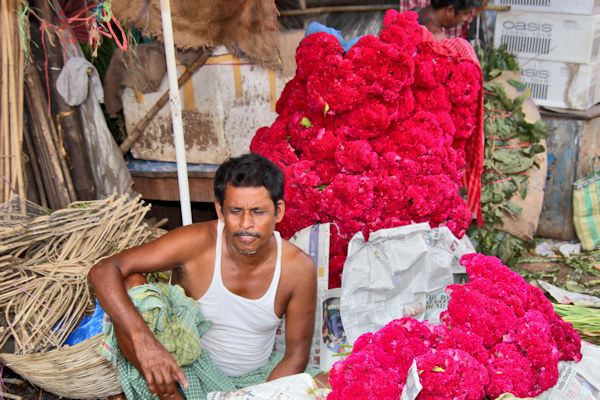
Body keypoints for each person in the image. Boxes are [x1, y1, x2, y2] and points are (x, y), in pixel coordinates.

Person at [88, 153, 318, 399]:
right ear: (220, 210)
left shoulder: (298, 268)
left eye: (258, 212)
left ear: (278, 211)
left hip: (254, 381)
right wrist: (145, 343)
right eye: (235, 211)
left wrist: (258, 396)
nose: (246, 223)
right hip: (181, 373)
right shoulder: (197, 243)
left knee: (327, 382)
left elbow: (296, 355)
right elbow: (103, 271)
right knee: (132, 284)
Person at [413, 0, 481, 40]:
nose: (466, 19)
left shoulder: (413, 12)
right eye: (465, 14)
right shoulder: (436, 37)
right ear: (449, 10)